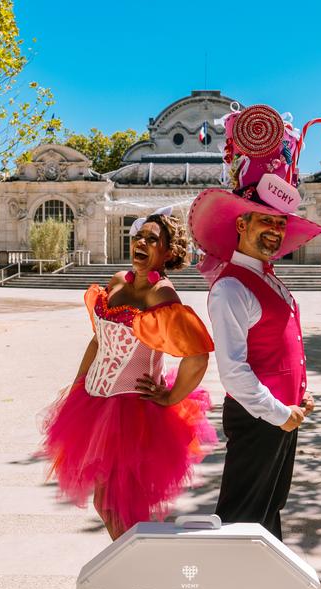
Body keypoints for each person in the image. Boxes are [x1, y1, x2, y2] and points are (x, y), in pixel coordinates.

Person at [188, 103, 321, 540]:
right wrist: (278, 413)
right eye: (264, 221)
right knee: (242, 521)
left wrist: (298, 402)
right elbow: (234, 372)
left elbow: (283, 351)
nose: (274, 230)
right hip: (260, 419)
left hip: (281, 416)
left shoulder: (267, 278)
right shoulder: (233, 287)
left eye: (278, 222)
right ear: (240, 224)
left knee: (268, 516)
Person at [39, 210, 215, 541]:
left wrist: (171, 396)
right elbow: (97, 341)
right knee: (107, 504)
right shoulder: (118, 280)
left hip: (133, 414)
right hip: (94, 404)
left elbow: (197, 355)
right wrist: (78, 387)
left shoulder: (161, 296)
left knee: (119, 505)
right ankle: (134, 569)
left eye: (152, 239)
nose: (141, 243)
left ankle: (140, 573)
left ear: (169, 252)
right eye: (138, 237)